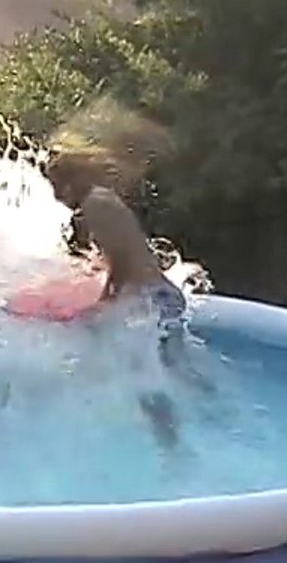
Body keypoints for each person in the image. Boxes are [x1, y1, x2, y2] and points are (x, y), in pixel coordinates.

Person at [44, 148, 196, 449]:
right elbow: (127, 254)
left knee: (146, 378)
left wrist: (104, 302)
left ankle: (173, 450)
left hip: (153, 301)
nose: (56, 197)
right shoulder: (103, 198)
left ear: (69, 183)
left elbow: (123, 263)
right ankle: (219, 420)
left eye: (56, 187)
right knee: (177, 372)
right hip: (163, 296)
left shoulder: (94, 206)